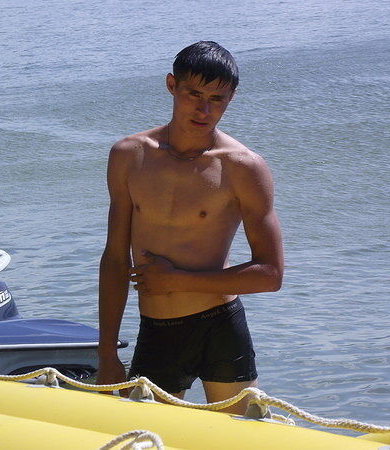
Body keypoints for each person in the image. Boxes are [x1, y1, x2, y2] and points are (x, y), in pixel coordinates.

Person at [97, 41, 284, 414]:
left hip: (220, 327)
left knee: (238, 439)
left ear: (231, 98)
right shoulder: (129, 156)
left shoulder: (243, 167)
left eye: (216, 99)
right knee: (144, 435)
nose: (204, 109)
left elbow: (270, 274)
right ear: (172, 85)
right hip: (157, 329)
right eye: (194, 94)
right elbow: (115, 258)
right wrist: (106, 353)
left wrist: (178, 280)